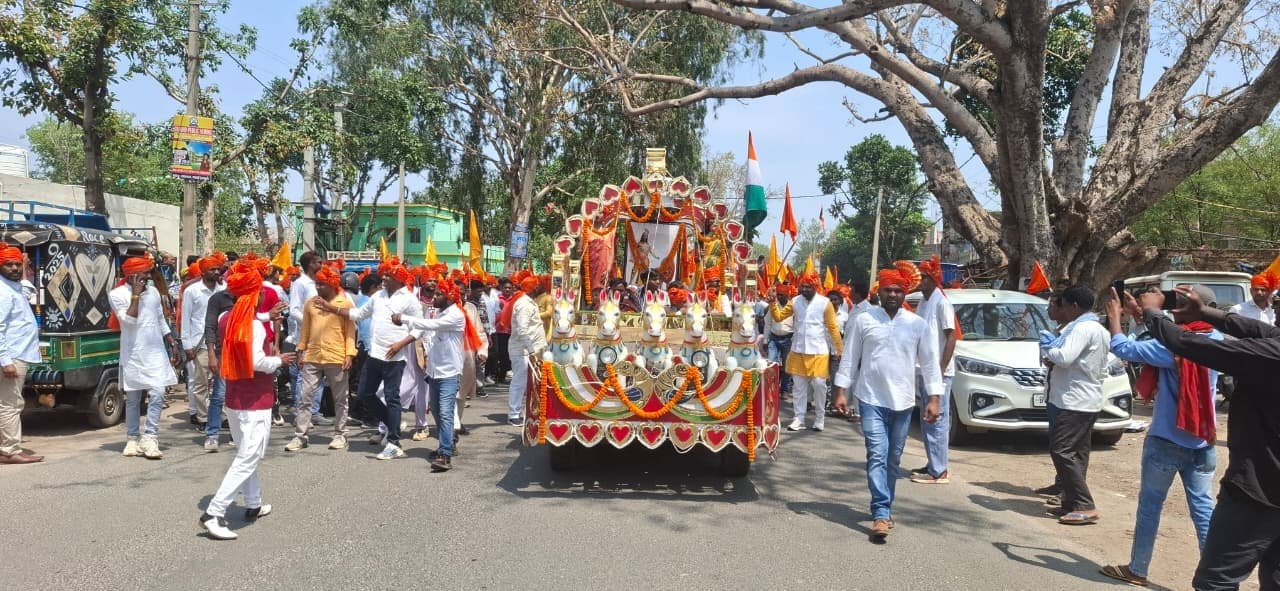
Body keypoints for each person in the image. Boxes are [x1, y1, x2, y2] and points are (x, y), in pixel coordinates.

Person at [1139, 286, 1280, 590]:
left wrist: (1151, 313)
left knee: (1215, 581)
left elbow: (1193, 346)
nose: (1275, 308)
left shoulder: (1272, 356)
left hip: (1260, 492)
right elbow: (1259, 329)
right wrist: (1205, 313)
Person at [1098, 286, 1221, 587]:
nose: (1172, 309)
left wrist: (1116, 318)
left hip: (1168, 439)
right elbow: (1155, 339)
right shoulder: (1218, 340)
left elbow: (1125, 348)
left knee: (1150, 506)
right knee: (1203, 509)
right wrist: (1142, 317)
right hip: (1204, 440)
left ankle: (1138, 569)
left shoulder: (1175, 345)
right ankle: (1215, 579)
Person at [833, 262, 942, 541]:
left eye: (897, 290)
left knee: (893, 459)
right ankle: (880, 512)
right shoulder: (864, 320)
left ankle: (885, 506)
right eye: (887, 290)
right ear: (878, 292)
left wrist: (934, 398)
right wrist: (841, 389)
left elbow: (929, 364)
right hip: (870, 398)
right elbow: (850, 356)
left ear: (904, 293)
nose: (892, 295)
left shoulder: (917, 324)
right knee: (878, 454)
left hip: (904, 401)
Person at [199, 259, 296, 541]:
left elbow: (249, 323)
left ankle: (252, 504)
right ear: (253, 294)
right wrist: (280, 360)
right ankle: (214, 513)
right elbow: (257, 361)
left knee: (245, 452)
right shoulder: (250, 325)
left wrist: (268, 317)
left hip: (235, 397)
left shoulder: (226, 319)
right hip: (255, 399)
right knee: (249, 455)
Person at [314, 258, 422, 460]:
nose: (384, 278)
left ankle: (394, 443)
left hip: (395, 357)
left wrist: (400, 344)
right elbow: (358, 314)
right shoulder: (378, 296)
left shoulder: (409, 299)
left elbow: (419, 328)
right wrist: (331, 308)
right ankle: (393, 424)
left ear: (399, 279)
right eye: (385, 275)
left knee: (392, 398)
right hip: (374, 354)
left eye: (389, 276)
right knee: (365, 393)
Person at [1039, 285, 1110, 526]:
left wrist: (1048, 346)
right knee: (1077, 452)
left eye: (1065, 305)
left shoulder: (1082, 328)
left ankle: (1084, 504)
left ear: (1074, 306)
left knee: (1061, 450)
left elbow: (1064, 357)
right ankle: (1071, 502)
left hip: (1074, 399)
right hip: (1083, 397)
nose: (1063, 310)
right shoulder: (1096, 328)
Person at [393, 279, 481, 471]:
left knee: (446, 412)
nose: (434, 296)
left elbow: (431, 326)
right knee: (437, 411)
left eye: (440, 294)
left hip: (449, 373)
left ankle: (445, 455)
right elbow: (424, 330)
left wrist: (405, 318)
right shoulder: (438, 312)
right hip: (434, 371)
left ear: (450, 297)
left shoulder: (456, 315)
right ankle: (448, 442)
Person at [108, 254, 178, 460]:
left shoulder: (154, 292)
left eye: (148, 273)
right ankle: (132, 438)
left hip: (155, 351)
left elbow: (159, 318)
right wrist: (136, 296)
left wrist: (171, 340)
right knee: (133, 398)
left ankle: (150, 437)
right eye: (144, 274)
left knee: (157, 392)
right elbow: (128, 321)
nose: (148, 277)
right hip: (133, 353)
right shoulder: (117, 294)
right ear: (131, 275)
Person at [286, 267, 356, 452]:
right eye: (316, 283)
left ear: (332, 284)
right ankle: (300, 436)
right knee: (305, 396)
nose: (317, 287)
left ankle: (341, 434)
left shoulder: (345, 303)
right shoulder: (311, 303)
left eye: (321, 284)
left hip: (337, 356)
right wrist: (300, 350)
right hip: (313, 356)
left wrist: (350, 354)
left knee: (340, 399)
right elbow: (305, 330)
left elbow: (350, 331)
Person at [770, 271, 843, 431]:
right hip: (798, 350)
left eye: (808, 287)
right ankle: (799, 419)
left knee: (819, 384)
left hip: (818, 351)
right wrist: (772, 303)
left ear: (815, 287)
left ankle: (820, 418)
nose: (804, 289)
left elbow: (832, 327)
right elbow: (779, 317)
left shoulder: (825, 303)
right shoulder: (795, 301)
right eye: (802, 286)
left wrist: (839, 348)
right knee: (799, 387)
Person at [910, 256, 958, 485]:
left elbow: (951, 336)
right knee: (927, 419)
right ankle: (933, 463)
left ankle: (939, 471)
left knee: (936, 420)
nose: (918, 281)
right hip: (925, 371)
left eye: (922, 277)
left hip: (939, 374)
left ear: (931, 279)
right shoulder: (923, 302)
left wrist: (939, 369)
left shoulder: (941, 302)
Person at [0, 245, 42, 465]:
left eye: (17, 264)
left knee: (8, 403)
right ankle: (9, 450)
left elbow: (27, 290)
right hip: (11, 356)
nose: (15, 268)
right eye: (9, 264)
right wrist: (5, 362)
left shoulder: (13, 287)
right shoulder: (3, 291)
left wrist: (25, 267)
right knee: (11, 404)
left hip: (17, 354)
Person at [181, 253, 226, 441]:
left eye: (218, 269)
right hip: (199, 342)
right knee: (201, 382)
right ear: (202, 272)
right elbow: (186, 318)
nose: (216, 272)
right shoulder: (192, 291)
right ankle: (202, 417)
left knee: (222, 382)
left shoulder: (224, 288)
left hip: (221, 341)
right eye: (212, 269)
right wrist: (187, 344)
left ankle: (220, 415)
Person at [502, 273, 547, 427]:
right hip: (523, 351)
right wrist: (532, 350)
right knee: (519, 382)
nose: (540, 287)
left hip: (528, 350)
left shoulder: (527, 302)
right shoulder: (524, 304)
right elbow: (522, 330)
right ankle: (514, 414)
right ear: (533, 288)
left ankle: (525, 411)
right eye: (537, 285)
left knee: (529, 383)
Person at [285, 252, 324, 422]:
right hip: (305, 336)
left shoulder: (319, 282)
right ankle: (303, 413)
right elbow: (293, 310)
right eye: (318, 262)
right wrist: (311, 322)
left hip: (322, 334)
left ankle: (314, 411)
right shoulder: (300, 283)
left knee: (320, 372)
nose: (321, 265)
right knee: (304, 375)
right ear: (309, 264)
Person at [764, 284, 795, 400]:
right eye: (778, 295)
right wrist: (766, 341)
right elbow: (767, 324)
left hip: (788, 339)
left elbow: (797, 324)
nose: (779, 297)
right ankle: (771, 387)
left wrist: (794, 340)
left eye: (782, 295)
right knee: (771, 364)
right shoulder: (773, 306)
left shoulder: (793, 307)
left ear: (787, 295)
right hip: (773, 339)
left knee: (787, 367)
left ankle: (785, 390)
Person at [486, 277, 514, 385]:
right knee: (496, 353)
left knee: (506, 354)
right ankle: (494, 374)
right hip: (497, 330)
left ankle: (502, 376)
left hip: (509, 331)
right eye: (505, 288)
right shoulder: (497, 298)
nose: (507, 290)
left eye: (509, 288)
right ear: (501, 288)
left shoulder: (514, 300)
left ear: (512, 289)